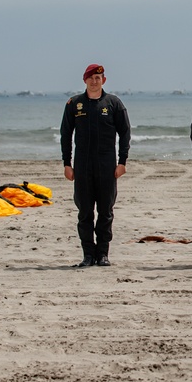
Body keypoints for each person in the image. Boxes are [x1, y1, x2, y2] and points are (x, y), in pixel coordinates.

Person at [60, 64, 131, 268]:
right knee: (84, 212)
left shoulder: (113, 103)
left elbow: (125, 132)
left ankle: (102, 254)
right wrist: (67, 163)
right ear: (85, 80)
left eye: (98, 77)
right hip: (82, 165)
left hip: (107, 165)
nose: (94, 81)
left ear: (104, 80)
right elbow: (66, 134)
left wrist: (122, 161)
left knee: (106, 211)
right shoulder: (75, 103)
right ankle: (88, 254)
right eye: (91, 77)